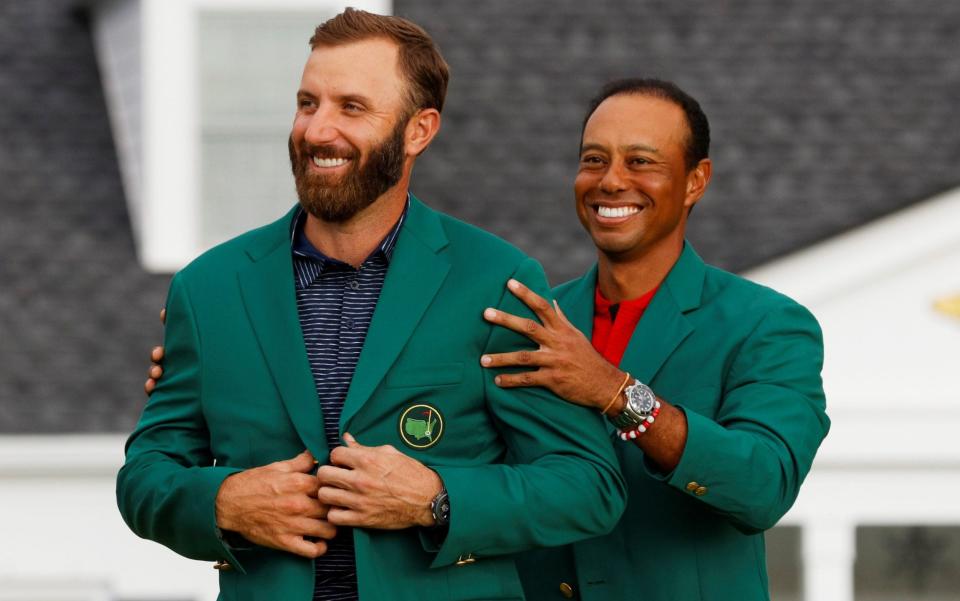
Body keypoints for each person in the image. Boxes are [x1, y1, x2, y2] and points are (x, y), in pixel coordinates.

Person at [117, 10, 625, 601]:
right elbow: (146, 476)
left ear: (419, 130)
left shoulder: (496, 280)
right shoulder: (208, 289)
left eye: (351, 108)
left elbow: (589, 486)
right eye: (308, 103)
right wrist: (223, 502)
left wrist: (436, 500)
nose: (317, 130)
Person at [479, 79, 830, 600]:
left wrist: (616, 393)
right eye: (594, 160)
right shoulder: (531, 322)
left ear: (696, 180)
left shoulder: (768, 324)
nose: (611, 181)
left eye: (641, 161)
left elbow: (763, 488)